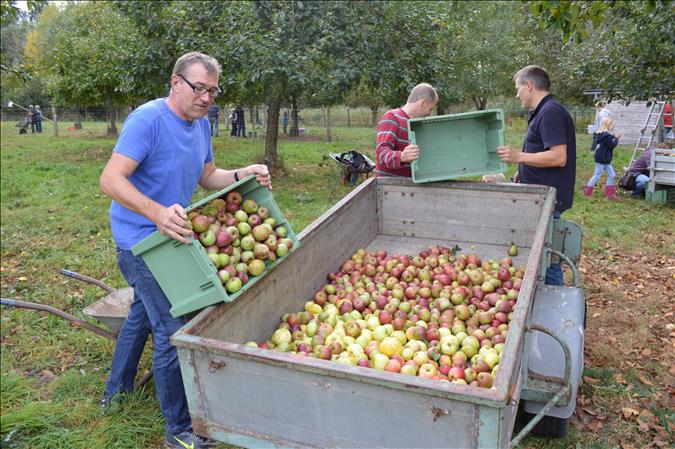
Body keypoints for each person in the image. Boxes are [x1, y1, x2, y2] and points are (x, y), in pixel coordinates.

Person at [98, 52, 271, 449]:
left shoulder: (201, 126)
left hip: (172, 238)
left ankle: (116, 393)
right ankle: (180, 431)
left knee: (142, 313)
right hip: (140, 241)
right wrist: (157, 213)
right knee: (172, 329)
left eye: (213, 90)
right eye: (199, 88)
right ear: (175, 82)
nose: (207, 97)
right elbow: (110, 179)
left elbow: (209, 175)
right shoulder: (148, 120)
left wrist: (243, 174)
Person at [496, 65, 576, 286]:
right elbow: (539, 156)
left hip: (548, 200)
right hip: (539, 198)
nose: (517, 94)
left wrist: (518, 156)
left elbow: (559, 157)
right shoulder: (543, 112)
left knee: (547, 263)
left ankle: (553, 314)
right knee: (541, 260)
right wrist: (513, 179)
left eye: (518, 88)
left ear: (529, 86)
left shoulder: (550, 112)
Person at [374, 83, 438, 177]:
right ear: (423, 103)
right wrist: (402, 156)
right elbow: (381, 154)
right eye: (430, 108)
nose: (429, 113)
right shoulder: (392, 117)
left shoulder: (418, 125)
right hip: (389, 187)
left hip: (409, 188)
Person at [583, 117, 621, 199]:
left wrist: (613, 137)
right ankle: (587, 191)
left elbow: (609, 140)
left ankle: (609, 194)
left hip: (604, 158)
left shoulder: (602, 134)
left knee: (612, 175)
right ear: (608, 125)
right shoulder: (606, 135)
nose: (613, 127)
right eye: (612, 125)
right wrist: (617, 138)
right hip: (602, 159)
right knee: (597, 175)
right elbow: (612, 145)